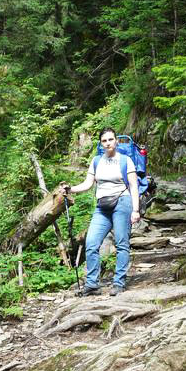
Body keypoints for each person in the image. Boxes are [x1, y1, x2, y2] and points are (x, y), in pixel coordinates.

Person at [61, 127, 141, 296]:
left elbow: (134, 185)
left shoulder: (126, 160)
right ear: (101, 143)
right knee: (91, 243)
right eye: (104, 141)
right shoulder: (97, 160)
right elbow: (88, 183)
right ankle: (92, 284)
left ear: (116, 141)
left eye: (110, 139)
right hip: (102, 207)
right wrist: (71, 189)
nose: (107, 143)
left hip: (122, 202)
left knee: (121, 243)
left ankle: (119, 283)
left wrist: (135, 210)